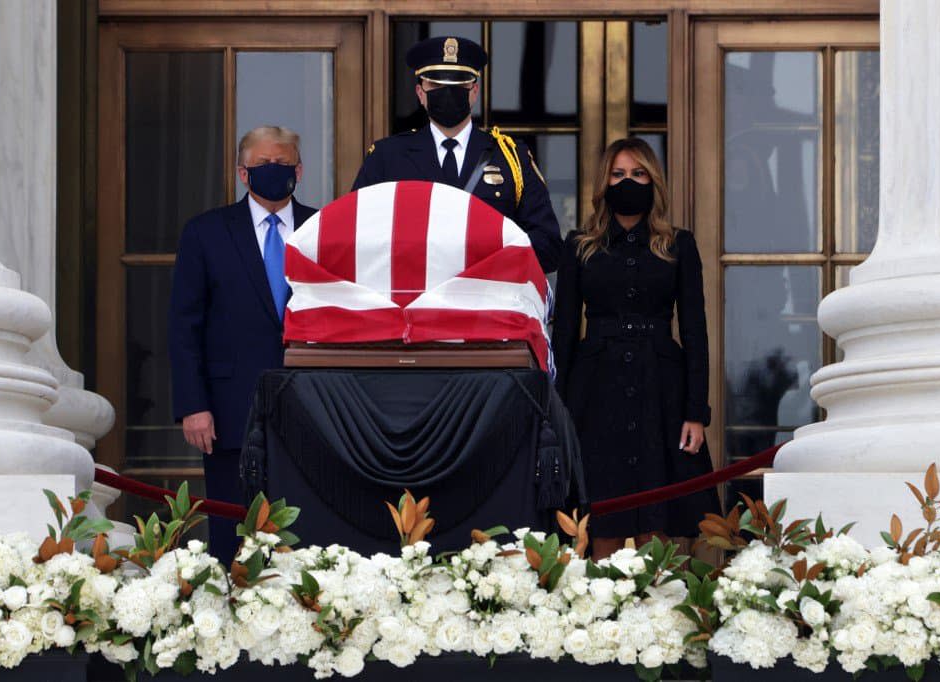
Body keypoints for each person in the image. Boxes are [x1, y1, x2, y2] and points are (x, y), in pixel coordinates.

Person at [552, 137, 719, 559]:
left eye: (639, 173)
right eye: (619, 174)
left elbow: (695, 332)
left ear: (654, 181)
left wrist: (696, 413)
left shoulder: (678, 244)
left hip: (661, 387)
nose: (629, 182)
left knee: (657, 523)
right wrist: (558, 412)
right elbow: (565, 333)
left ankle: (658, 616)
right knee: (600, 521)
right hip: (596, 389)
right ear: (604, 183)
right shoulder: (579, 245)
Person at [169, 125, 316, 565]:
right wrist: (193, 405)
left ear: (300, 169)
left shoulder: (322, 229)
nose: (275, 171)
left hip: (312, 405)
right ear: (242, 173)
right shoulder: (206, 232)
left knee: (305, 534)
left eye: (283, 163)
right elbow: (185, 325)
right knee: (232, 533)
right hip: (230, 408)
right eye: (262, 165)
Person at [352, 36, 562, 273]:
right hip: (413, 302)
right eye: (437, 86)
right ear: (420, 93)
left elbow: (549, 246)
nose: (448, 93)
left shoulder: (511, 158)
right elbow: (354, 234)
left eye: (458, 86)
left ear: (474, 92)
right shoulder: (387, 157)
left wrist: (490, 255)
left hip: (487, 300)